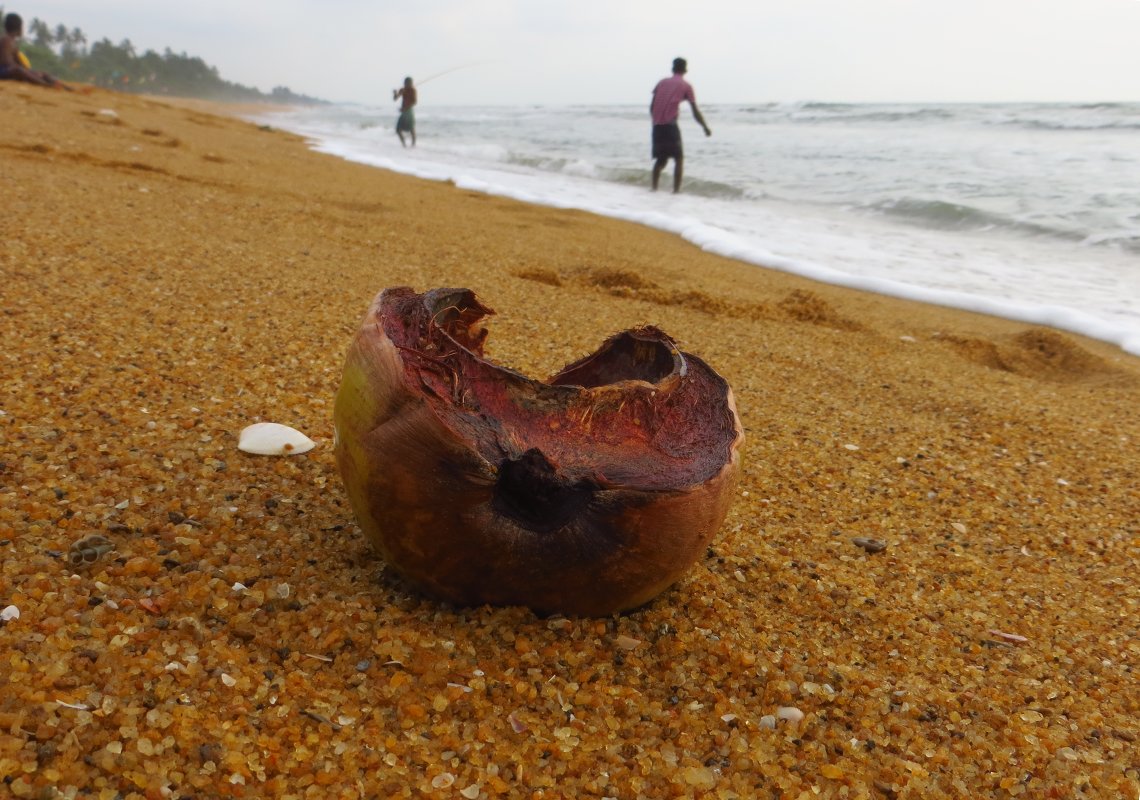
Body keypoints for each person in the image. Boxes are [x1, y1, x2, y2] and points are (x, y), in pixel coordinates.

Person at [650, 57, 710, 193]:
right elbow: (695, 111)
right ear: (685, 70)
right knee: (678, 159)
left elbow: (652, 106)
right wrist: (705, 127)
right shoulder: (686, 86)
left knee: (660, 160)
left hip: (657, 126)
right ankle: (676, 191)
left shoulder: (661, 83)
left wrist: (655, 121)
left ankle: (654, 189)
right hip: (671, 127)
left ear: (672, 69)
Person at [0, 13, 67, 88]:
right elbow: (7, 63)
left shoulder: (13, 43)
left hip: (11, 69)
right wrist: (26, 71)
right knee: (19, 70)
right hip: (3, 71)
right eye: (22, 27)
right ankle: (46, 85)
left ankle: (63, 86)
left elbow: (18, 62)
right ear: (18, 28)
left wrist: (31, 72)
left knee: (42, 73)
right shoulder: (6, 41)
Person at [393, 77, 417, 147]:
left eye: (410, 83)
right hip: (403, 111)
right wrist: (395, 93)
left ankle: (413, 145)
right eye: (407, 83)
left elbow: (414, 102)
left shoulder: (413, 90)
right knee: (398, 129)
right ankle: (404, 144)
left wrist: (405, 108)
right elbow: (395, 98)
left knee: (411, 129)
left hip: (409, 111)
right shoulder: (402, 89)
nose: (409, 84)